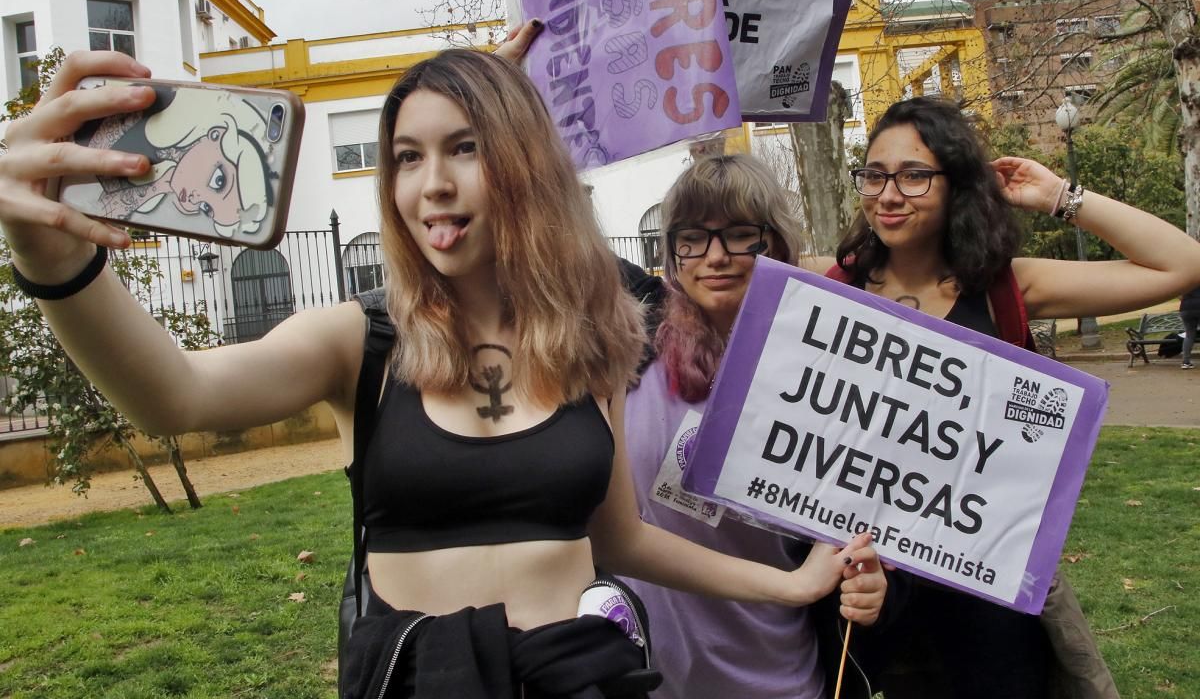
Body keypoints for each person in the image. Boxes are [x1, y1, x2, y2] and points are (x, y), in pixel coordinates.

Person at [0, 48, 884, 697]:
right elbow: (173, 397)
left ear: (524, 165)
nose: (431, 184)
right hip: (423, 680)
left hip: (584, 677)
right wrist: (48, 254)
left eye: (465, 148)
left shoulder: (594, 338)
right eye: (408, 157)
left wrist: (794, 582)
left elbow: (620, 538)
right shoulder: (357, 342)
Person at [806, 95, 1200, 699]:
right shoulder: (834, 287)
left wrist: (1059, 197)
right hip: (869, 581)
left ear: (956, 183)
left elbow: (1181, 265)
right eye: (875, 174)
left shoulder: (1006, 286)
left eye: (914, 175)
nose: (888, 194)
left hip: (982, 579)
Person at [620, 153, 893, 699]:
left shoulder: (834, 375)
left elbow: (869, 520)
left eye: (742, 235)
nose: (716, 257)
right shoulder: (627, 353)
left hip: (780, 675)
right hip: (648, 676)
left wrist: (872, 580)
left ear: (778, 244)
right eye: (693, 238)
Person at [77, 82, 275, 237]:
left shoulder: (161, 177)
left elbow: (96, 204)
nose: (194, 199)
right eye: (218, 181)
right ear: (217, 134)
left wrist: (161, 185)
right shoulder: (156, 106)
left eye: (206, 208)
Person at [1180, 285, 1200, 369]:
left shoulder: (1187, 280)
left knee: (1189, 335)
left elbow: (1179, 296)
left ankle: (1186, 362)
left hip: (1185, 308)